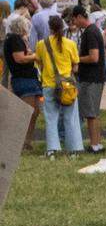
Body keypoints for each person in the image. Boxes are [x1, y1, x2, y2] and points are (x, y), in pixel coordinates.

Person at [35, 12, 82, 158]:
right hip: (67, 86)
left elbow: (39, 63)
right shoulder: (71, 44)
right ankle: (73, 150)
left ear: (50, 28)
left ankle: (52, 150)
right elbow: (75, 67)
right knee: (70, 118)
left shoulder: (41, 44)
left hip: (49, 84)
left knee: (51, 118)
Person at [4, 8, 40, 148]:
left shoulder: (14, 40)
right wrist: (35, 56)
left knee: (34, 112)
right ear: (22, 27)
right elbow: (19, 59)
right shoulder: (15, 39)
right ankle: (20, 142)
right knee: (27, 113)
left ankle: (26, 141)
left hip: (27, 79)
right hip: (24, 79)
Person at [76, 7, 106, 154]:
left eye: (74, 19)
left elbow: (94, 57)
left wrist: (76, 59)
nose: (74, 23)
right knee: (93, 112)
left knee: (91, 113)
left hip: (92, 78)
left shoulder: (91, 32)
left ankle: (94, 144)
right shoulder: (92, 30)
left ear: (81, 17)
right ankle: (97, 143)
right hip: (94, 77)